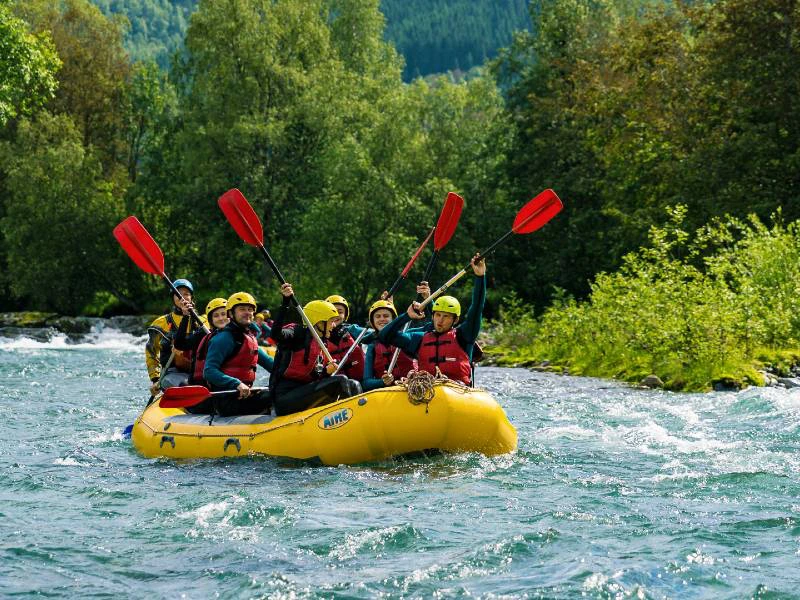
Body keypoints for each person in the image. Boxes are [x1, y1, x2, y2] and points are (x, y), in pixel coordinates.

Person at [378, 256, 486, 385]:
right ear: (432, 316)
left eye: (446, 316)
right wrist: (406, 316)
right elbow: (384, 336)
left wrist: (480, 277)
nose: (440, 320)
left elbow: (477, 307)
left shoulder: (464, 336)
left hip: (457, 390)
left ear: (455, 320)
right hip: (426, 390)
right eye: (438, 315)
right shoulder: (419, 338)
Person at [270, 285, 362, 416]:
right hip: (285, 397)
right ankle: (349, 417)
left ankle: (358, 416)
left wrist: (326, 372)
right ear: (319, 322)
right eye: (331, 321)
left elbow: (314, 377)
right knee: (340, 380)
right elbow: (276, 334)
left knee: (353, 384)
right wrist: (285, 302)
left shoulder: (322, 343)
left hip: (305, 391)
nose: (334, 325)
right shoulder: (297, 332)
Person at [202, 292, 274, 416]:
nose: (247, 312)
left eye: (250, 309)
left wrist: (290, 373)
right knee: (276, 395)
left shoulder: (249, 338)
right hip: (228, 401)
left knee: (281, 390)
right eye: (242, 309)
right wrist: (237, 384)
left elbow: (269, 363)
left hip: (244, 396)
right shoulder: (224, 338)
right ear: (231, 314)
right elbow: (209, 371)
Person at [145, 279, 207, 395]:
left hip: (198, 372)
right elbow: (151, 353)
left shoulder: (204, 323)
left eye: (186, 294)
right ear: (173, 299)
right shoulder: (161, 323)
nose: (182, 297)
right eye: (178, 294)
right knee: (183, 384)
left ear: (191, 298)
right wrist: (155, 379)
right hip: (172, 373)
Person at [362, 300, 417, 391]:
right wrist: (382, 382)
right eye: (378, 316)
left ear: (393, 320)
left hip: (411, 388)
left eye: (386, 316)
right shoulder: (372, 346)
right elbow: (366, 383)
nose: (382, 319)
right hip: (388, 393)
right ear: (372, 322)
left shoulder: (406, 337)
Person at [324, 294, 366, 381]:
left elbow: (378, 333)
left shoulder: (353, 330)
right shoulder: (319, 335)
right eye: (332, 311)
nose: (335, 315)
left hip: (360, 382)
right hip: (334, 384)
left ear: (345, 315)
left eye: (340, 311)